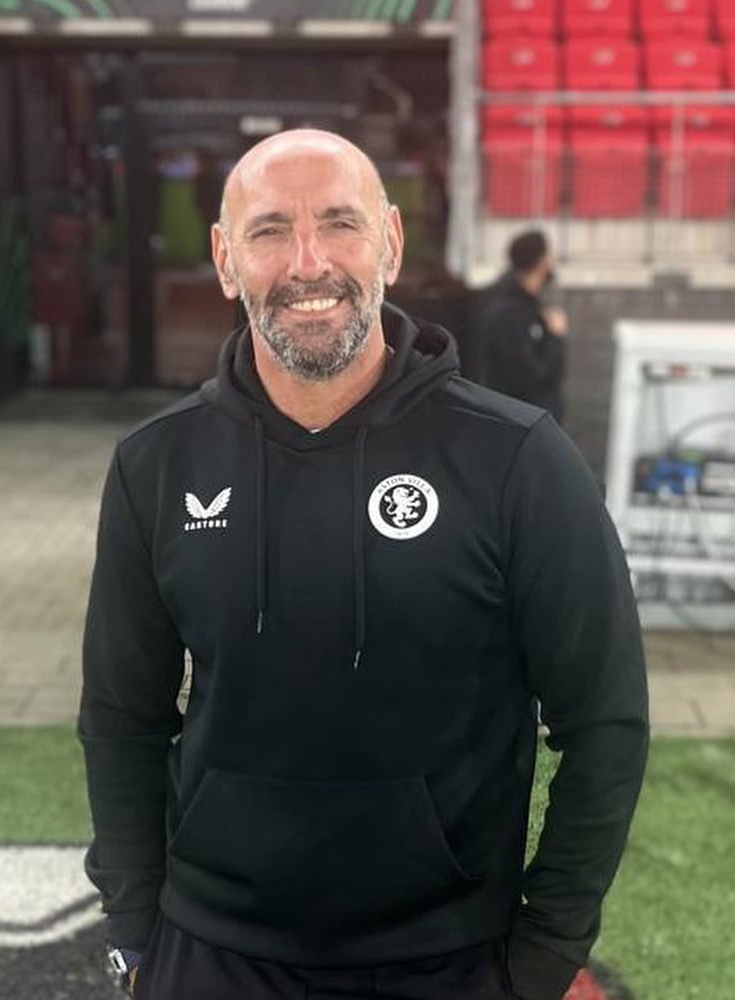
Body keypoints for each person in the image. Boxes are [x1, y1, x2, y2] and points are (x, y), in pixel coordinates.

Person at [79, 130, 649, 1000]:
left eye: (339, 223)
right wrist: (133, 932)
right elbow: (123, 717)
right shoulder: (156, 465)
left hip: (452, 957)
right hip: (210, 952)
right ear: (226, 261)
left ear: (390, 241)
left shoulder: (517, 458)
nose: (308, 263)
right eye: (270, 230)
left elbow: (604, 719)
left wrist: (546, 950)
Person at [478, 230, 568, 422]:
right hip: (519, 425)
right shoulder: (507, 312)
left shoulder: (530, 303)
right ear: (541, 261)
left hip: (531, 421)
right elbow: (528, 376)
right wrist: (555, 336)